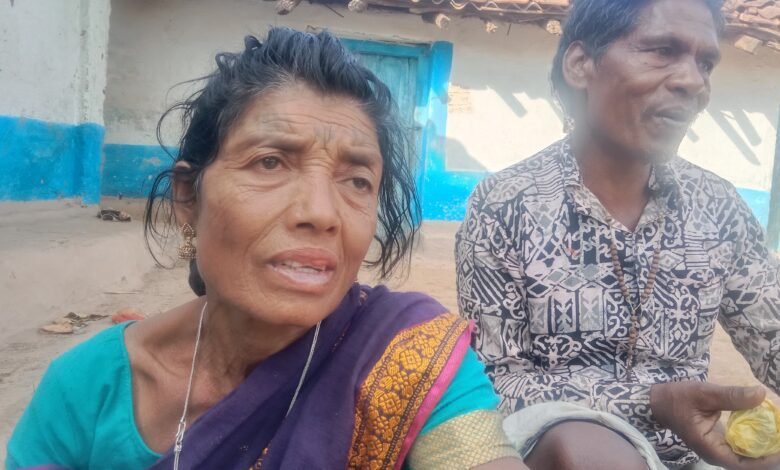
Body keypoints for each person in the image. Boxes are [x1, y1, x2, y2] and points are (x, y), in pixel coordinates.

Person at [8, 27, 526, 470]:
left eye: (357, 180)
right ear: (188, 198)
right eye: (270, 162)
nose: (321, 212)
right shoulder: (86, 390)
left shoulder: (412, 360)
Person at [456, 0, 780, 469]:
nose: (693, 82)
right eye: (663, 50)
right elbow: (496, 382)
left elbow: (773, 335)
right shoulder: (505, 204)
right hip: (560, 448)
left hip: (696, 454)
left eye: (706, 63)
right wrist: (652, 401)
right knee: (586, 448)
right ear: (580, 64)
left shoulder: (717, 206)